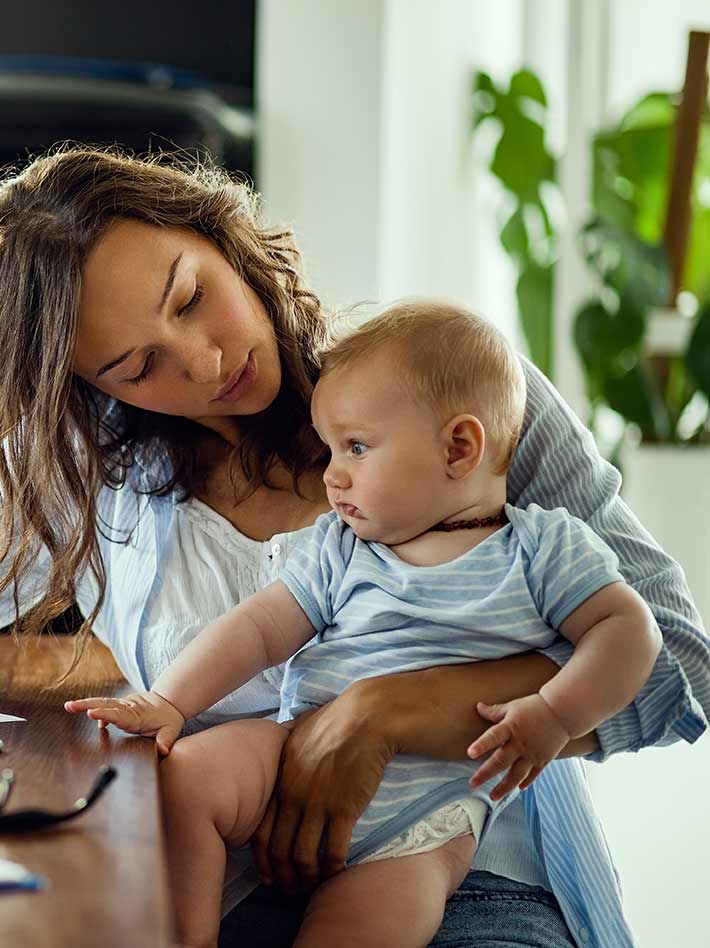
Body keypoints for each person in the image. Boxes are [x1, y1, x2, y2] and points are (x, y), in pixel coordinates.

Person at [0, 147, 709, 948]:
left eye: (193, 297)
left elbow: (678, 668)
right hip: (218, 887)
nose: (201, 362)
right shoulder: (89, 465)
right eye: (135, 365)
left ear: (222, 235)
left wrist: (378, 715)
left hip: (469, 885)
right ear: (87, 390)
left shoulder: (452, 399)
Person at [64, 302, 663, 948]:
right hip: (297, 754)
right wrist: (169, 702)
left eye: (355, 447)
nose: (332, 475)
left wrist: (555, 713)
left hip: (422, 824)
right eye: (329, 450)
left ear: (459, 447)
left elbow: (631, 631)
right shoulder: (342, 547)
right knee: (187, 777)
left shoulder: (542, 549)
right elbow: (259, 630)